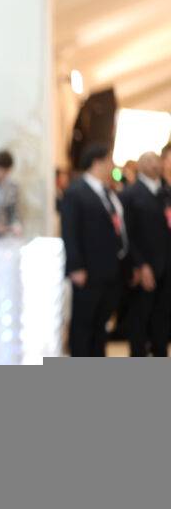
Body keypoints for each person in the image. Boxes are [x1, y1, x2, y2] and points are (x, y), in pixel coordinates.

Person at [61, 144, 128, 357]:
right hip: (87, 271)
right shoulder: (76, 191)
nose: (112, 165)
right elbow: (69, 231)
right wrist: (75, 267)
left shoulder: (107, 192)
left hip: (109, 270)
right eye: (109, 160)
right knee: (83, 325)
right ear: (97, 162)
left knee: (101, 325)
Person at [121, 152, 171, 356]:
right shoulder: (130, 194)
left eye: (156, 160)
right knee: (139, 320)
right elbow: (127, 234)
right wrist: (140, 264)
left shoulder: (166, 192)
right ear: (140, 166)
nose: (154, 165)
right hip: (144, 268)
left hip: (167, 267)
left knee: (163, 319)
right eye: (148, 161)